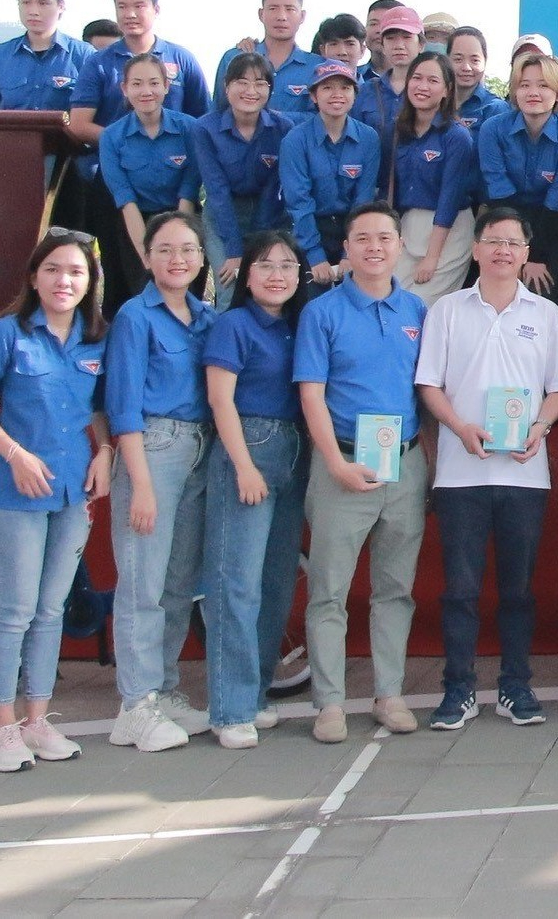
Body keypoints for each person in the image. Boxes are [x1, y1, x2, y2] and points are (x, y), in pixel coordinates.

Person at [417, 207, 558, 731]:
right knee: (459, 589)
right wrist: (459, 427)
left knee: (518, 590)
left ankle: (515, 685)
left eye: (514, 242)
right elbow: (429, 385)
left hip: (525, 474)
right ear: (477, 249)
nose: (504, 251)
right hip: (462, 473)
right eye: (493, 241)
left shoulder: (548, 316)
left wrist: (541, 428)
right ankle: (458, 690)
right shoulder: (446, 310)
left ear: (526, 253)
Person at [0, 229, 109, 773]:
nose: (64, 280)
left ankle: (37, 721)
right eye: (53, 270)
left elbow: (99, 407)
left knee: (50, 611)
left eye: (75, 272)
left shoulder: (97, 338)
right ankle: (1, 728)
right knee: (16, 610)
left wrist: (106, 451)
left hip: (73, 493)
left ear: (89, 282)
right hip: (16, 494)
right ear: (34, 277)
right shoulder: (10, 334)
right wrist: (14, 454)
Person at [295, 204, 430, 743]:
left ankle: (388, 694)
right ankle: (329, 703)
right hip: (342, 463)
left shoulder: (418, 310)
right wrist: (335, 464)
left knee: (395, 588)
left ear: (399, 245)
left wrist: (432, 468)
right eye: (362, 238)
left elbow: (427, 392)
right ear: (345, 248)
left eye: (385, 237)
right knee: (329, 590)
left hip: (406, 462)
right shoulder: (321, 313)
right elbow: (311, 395)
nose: (374, 247)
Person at [102, 210, 215, 753]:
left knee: (176, 583)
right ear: (147, 258)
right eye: (166, 250)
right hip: (152, 450)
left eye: (188, 250)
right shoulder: (134, 316)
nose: (178, 260)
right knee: (142, 583)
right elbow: (121, 404)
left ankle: (165, 688)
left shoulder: (204, 317)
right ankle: (136, 704)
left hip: (198, 451)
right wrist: (140, 483)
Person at [201, 230, 309, 749]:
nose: (277, 274)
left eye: (288, 265)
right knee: (235, 583)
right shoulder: (234, 325)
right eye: (266, 264)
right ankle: (229, 708)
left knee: (275, 582)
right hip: (248, 446)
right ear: (246, 275)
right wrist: (244, 466)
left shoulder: (296, 327)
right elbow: (221, 401)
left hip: (294, 451)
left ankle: (257, 693)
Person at [96, 53, 200, 308]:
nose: (146, 91)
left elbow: (189, 190)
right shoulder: (111, 137)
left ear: (166, 86)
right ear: (124, 89)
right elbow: (125, 199)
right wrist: (149, 254)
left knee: (185, 295)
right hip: (135, 222)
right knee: (144, 295)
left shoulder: (190, 128)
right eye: (137, 84)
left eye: (154, 83)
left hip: (182, 218)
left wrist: (176, 247)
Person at [478, 51, 558, 295]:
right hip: (502, 218)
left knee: (540, 294)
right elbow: (499, 191)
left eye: (543, 85)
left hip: (551, 226)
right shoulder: (493, 129)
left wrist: (534, 255)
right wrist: (516, 250)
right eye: (524, 85)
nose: (533, 93)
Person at [66, 0, 208, 140]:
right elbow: (79, 125)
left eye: (139, 6)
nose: (130, 14)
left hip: (177, 163)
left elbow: (204, 119)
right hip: (117, 162)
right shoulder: (98, 63)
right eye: (122, 7)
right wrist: (126, 143)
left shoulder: (182, 59)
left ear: (156, 10)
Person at [195, 53, 296, 291]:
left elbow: (274, 188)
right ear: (226, 86)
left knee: (266, 286)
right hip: (223, 212)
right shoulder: (205, 129)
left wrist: (257, 244)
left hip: (269, 213)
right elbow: (216, 190)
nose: (251, 90)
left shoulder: (282, 128)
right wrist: (234, 250)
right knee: (230, 287)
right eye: (242, 82)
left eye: (260, 83)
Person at [280, 60, 382, 289]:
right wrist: (315, 256)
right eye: (327, 88)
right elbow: (298, 201)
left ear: (355, 95)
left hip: (353, 228)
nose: (337, 94)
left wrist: (351, 251)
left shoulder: (368, 138)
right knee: (311, 300)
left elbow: (363, 199)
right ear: (314, 96)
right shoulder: (296, 140)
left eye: (345, 88)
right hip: (309, 229)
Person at [389, 53, 479, 302]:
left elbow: (449, 199)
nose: (422, 86)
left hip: (448, 232)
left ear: (447, 90)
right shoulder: (400, 130)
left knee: (423, 307)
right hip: (407, 228)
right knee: (394, 301)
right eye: (416, 78)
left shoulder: (457, 136)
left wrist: (432, 257)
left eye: (432, 80)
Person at [214, 0, 318, 115]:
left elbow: (323, 119)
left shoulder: (317, 67)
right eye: (273, 8)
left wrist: (273, 119)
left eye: (290, 9)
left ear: (302, 16)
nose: (281, 16)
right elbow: (217, 112)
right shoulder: (233, 58)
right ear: (261, 14)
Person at [353, 8, 424, 137]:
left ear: (421, 45)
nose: (399, 45)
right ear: (383, 46)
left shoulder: (432, 90)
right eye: (391, 38)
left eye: (407, 37)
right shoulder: (365, 91)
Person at [447, 26, 506, 135]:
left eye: (475, 60)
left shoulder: (496, 109)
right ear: (447, 60)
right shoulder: (434, 103)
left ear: (485, 61)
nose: (466, 67)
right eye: (458, 59)